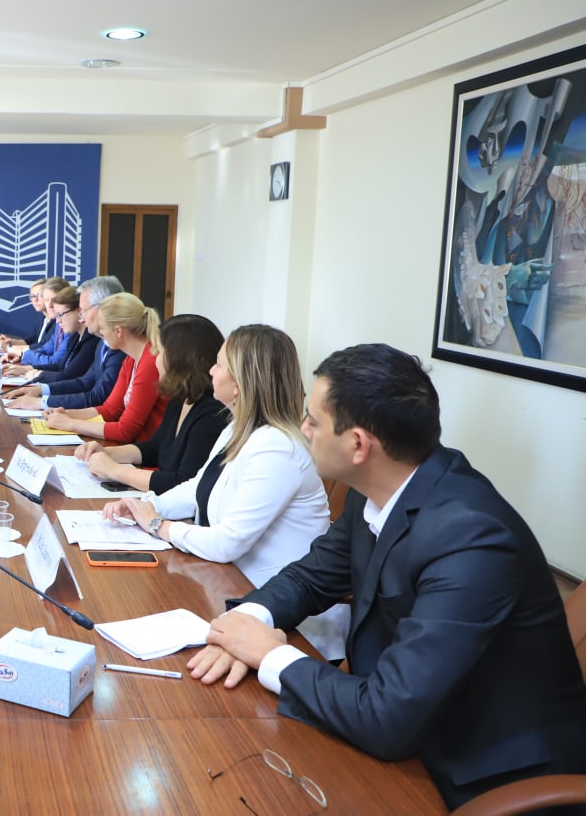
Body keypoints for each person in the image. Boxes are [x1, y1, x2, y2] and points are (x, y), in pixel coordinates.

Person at [191, 343, 586, 810]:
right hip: (404, 725)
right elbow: (311, 577)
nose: (303, 430)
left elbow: (387, 716)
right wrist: (246, 625)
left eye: (313, 421)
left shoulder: (473, 538)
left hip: (476, 773)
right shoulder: (375, 489)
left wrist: (268, 654)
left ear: (358, 445)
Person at [105, 324, 346, 658]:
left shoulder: (278, 447)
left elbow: (227, 542)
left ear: (239, 383)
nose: (210, 371)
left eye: (219, 364)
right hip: (232, 589)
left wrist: (159, 525)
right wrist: (144, 504)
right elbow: (198, 487)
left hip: (286, 624)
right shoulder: (238, 427)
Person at [77, 314, 226, 495]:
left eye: (160, 352)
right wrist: (107, 453)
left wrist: (115, 470)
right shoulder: (180, 399)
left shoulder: (212, 413)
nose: (155, 359)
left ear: (179, 360)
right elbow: (154, 448)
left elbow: (184, 482)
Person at [42, 293, 166, 444]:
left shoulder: (149, 363)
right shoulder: (131, 359)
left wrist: (70, 423)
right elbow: (110, 410)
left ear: (118, 331)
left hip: (143, 452)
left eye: (102, 328)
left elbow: (125, 431)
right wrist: (67, 414)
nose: (100, 333)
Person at [6, 275, 125, 410]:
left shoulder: (117, 347)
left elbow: (97, 397)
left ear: (104, 308)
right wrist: (41, 390)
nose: (81, 317)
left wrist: (43, 402)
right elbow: (84, 382)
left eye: (84, 310)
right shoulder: (102, 343)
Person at [5, 279, 76, 376]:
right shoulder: (58, 324)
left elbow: (55, 362)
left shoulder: (70, 327)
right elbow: (46, 348)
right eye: (46, 300)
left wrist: (25, 355)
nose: (50, 305)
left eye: (55, 300)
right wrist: (22, 355)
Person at [0, 278, 49, 356]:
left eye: (40, 295)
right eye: (32, 296)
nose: (35, 300)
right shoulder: (43, 318)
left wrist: (9, 348)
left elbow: (42, 347)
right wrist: (9, 341)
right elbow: (29, 341)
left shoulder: (56, 322)